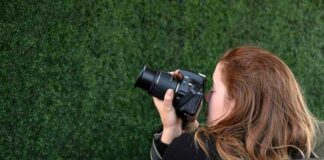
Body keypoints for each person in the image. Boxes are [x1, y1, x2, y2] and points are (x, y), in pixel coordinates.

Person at [150, 46, 321, 160]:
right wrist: (186, 128)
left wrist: (171, 136)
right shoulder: (301, 153)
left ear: (238, 103)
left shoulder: (190, 152)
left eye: (215, 89)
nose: (207, 97)